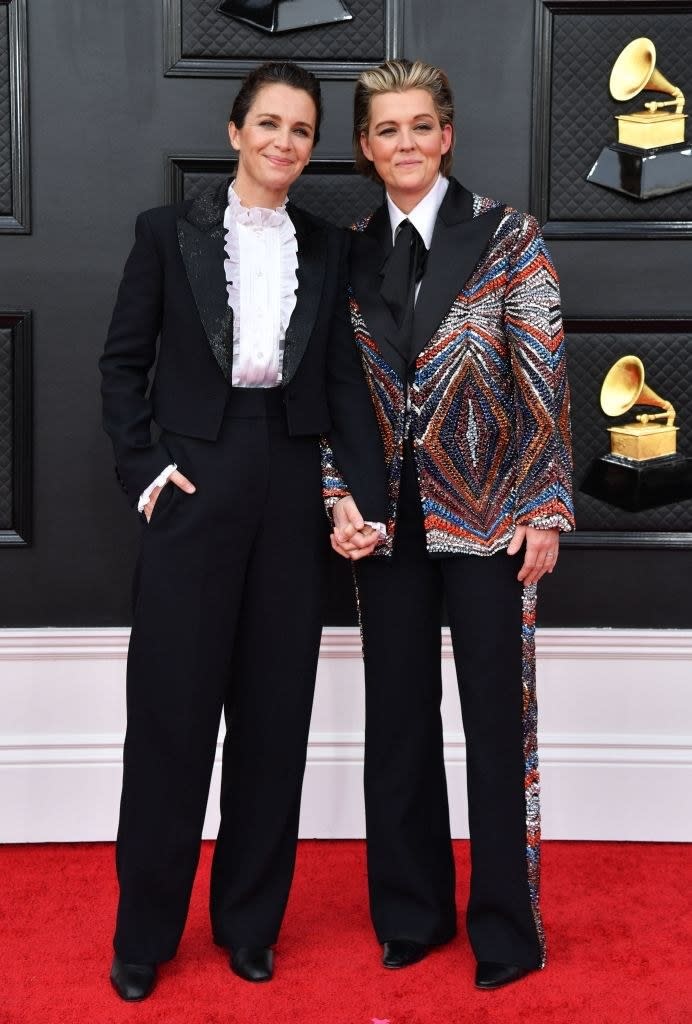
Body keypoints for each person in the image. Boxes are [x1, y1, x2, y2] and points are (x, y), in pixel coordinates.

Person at [99, 60, 386, 1001]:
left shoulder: (330, 244)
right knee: (171, 725)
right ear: (235, 132)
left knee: (274, 723)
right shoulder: (163, 234)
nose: (285, 143)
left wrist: (360, 497)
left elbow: (344, 381)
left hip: (293, 480)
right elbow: (120, 365)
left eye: (302, 131)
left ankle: (249, 925)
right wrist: (147, 473)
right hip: (195, 475)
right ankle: (142, 937)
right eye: (269, 123)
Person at [323, 59, 574, 990]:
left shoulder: (510, 235)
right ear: (365, 146)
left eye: (421, 126)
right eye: (387, 130)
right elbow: (332, 393)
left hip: (492, 518)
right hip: (385, 525)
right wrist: (336, 498)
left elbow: (542, 369)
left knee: (495, 727)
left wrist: (544, 505)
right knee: (396, 722)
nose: (406, 145)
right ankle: (411, 914)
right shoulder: (346, 252)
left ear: (448, 134)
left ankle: (507, 927)